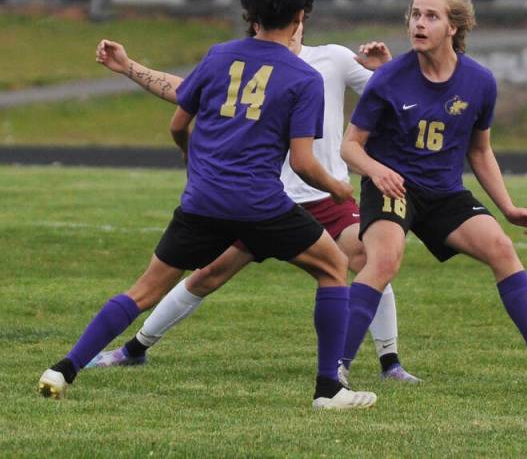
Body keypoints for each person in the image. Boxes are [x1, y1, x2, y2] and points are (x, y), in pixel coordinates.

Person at [37, 0, 377, 410]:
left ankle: (63, 368)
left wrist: (187, 152)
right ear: (300, 17)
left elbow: (180, 116)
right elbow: (302, 162)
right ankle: (329, 390)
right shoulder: (303, 78)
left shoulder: (219, 56)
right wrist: (337, 187)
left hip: (203, 201)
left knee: (143, 290)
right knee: (333, 268)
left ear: (250, 14)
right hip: (261, 205)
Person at [83, 29, 421, 383]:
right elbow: (186, 92)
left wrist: (385, 68)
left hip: (325, 199)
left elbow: (396, 100)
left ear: (300, 20)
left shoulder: (333, 58)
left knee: (369, 260)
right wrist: (128, 66)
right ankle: (134, 349)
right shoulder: (246, 63)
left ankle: (390, 363)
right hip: (265, 203)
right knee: (207, 275)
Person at [338, 0, 527, 392]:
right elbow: (350, 147)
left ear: (453, 27)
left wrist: (507, 208)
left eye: (431, 16)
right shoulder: (388, 80)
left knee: (501, 248)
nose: (419, 23)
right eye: (415, 15)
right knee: (383, 260)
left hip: (443, 193)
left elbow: (480, 151)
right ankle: (336, 369)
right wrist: (376, 171)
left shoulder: (479, 82)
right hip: (394, 187)